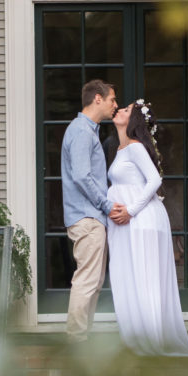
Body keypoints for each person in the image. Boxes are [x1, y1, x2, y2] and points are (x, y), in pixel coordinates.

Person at [106, 98, 188, 356]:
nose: (119, 110)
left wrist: (131, 210)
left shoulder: (134, 148)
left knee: (144, 277)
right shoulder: (121, 150)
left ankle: (151, 339)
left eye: (125, 109)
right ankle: (136, 338)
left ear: (133, 120)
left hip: (141, 221)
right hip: (126, 224)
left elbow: (154, 180)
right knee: (129, 277)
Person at [60, 79, 129, 341]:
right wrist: (107, 205)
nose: (116, 104)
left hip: (91, 217)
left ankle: (81, 338)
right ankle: (76, 341)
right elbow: (81, 176)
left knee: (94, 283)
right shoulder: (80, 131)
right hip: (87, 217)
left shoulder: (88, 131)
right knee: (87, 281)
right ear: (97, 99)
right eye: (113, 99)